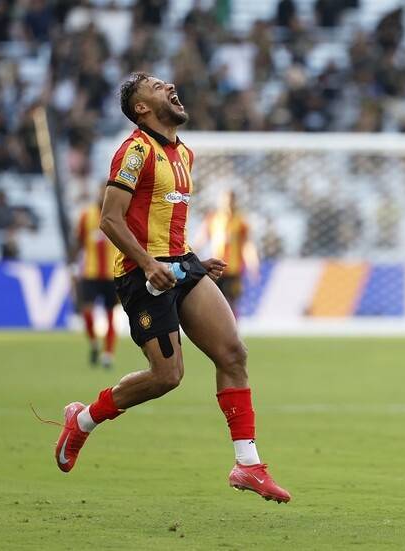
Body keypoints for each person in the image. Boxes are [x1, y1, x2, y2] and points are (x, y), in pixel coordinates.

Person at [50, 72, 290, 503]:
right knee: (167, 377)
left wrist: (194, 261)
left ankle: (248, 465)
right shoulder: (134, 151)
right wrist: (147, 263)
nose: (170, 87)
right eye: (157, 86)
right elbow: (110, 219)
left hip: (182, 264)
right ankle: (83, 420)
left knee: (233, 353)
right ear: (141, 107)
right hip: (141, 274)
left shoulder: (184, 154)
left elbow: (166, 223)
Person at [71, 187, 118, 368]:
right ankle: (93, 342)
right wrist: (74, 264)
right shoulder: (86, 215)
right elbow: (79, 241)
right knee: (87, 312)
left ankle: (108, 354)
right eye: (101, 193)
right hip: (90, 272)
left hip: (111, 273)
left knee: (110, 314)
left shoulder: (118, 213)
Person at [194, 190, 259, 316]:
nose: (228, 204)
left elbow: (247, 245)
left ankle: (232, 327)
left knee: (232, 302)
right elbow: (201, 239)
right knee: (214, 302)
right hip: (216, 268)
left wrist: (253, 265)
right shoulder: (213, 219)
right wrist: (191, 254)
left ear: (235, 202)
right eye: (225, 201)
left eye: (230, 201)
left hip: (233, 270)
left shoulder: (241, 221)